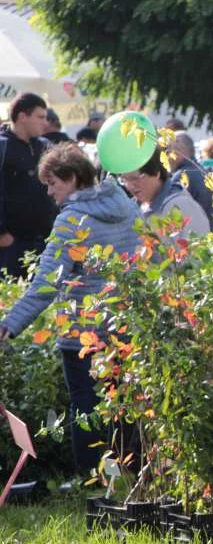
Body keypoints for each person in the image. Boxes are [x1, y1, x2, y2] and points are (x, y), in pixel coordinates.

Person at [0, 143, 141, 473]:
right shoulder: (128, 206)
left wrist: (9, 325)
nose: (49, 192)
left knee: (86, 408)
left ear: (73, 177)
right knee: (126, 406)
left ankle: (91, 483)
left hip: (84, 333)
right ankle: (134, 477)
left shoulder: (72, 220)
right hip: (126, 327)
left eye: (53, 183)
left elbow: (46, 284)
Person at [0, 93, 58, 279]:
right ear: (22, 117)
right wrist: (2, 234)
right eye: (40, 117)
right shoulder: (3, 147)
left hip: (44, 242)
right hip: (11, 245)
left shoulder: (44, 146)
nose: (45, 123)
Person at [119, 147, 211, 240]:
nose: (130, 186)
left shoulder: (182, 206)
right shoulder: (131, 209)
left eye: (134, 178)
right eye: (124, 179)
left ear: (156, 172)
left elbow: (198, 250)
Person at [169, 131, 213, 229]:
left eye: (169, 150)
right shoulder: (204, 172)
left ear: (178, 151)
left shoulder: (181, 177)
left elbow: (173, 215)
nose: (167, 156)